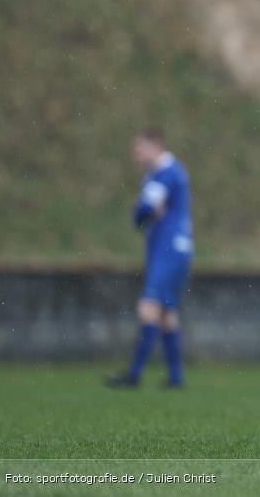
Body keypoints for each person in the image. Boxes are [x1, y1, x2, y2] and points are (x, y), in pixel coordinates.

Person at [108, 128, 193, 388]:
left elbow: (143, 210)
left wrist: (142, 210)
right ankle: (176, 378)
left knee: (148, 307)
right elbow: (141, 215)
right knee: (166, 313)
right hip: (168, 248)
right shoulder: (160, 175)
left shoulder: (167, 173)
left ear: (155, 145)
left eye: (139, 148)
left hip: (169, 249)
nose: (136, 155)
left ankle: (134, 374)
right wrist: (142, 212)